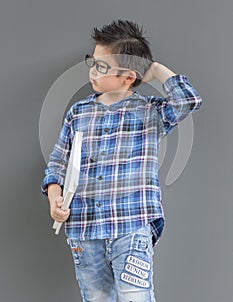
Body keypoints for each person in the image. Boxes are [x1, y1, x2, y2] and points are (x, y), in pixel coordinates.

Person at [41, 19, 203, 302]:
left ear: (128, 77)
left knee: (135, 297)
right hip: (84, 229)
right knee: (96, 298)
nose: (92, 71)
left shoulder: (150, 112)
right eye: (92, 62)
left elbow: (188, 101)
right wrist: (54, 198)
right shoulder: (78, 113)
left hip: (131, 225)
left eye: (101, 67)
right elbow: (57, 163)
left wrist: (156, 70)